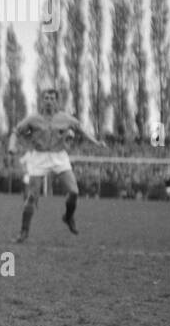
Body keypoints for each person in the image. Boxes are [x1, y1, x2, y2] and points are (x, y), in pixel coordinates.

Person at [8, 88, 105, 241]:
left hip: (59, 156)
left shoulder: (65, 118)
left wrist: (96, 142)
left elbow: (81, 130)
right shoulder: (33, 119)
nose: (49, 101)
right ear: (42, 100)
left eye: (52, 98)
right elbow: (16, 131)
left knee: (74, 192)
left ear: (57, 101)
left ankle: (68, 217)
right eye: (46, 98)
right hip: (39, 158)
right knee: (32, 197)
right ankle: (24, 232)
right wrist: (12, 146)